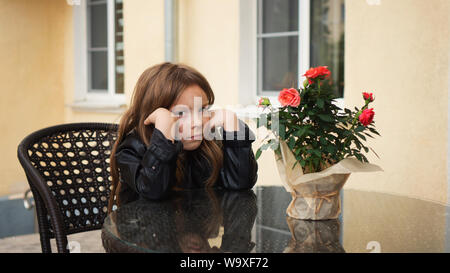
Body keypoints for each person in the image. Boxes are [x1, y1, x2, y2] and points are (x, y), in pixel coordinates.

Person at [107, 62, 258, 212]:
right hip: (145, 233)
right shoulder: (132, 149)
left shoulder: (208, 146)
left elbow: (240, 185)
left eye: (202, 109)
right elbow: (153, 192)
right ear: (154, 117)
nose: (197, 123)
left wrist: (232, 126)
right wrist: (164, 136)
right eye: (180, 113)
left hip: (194, 231)